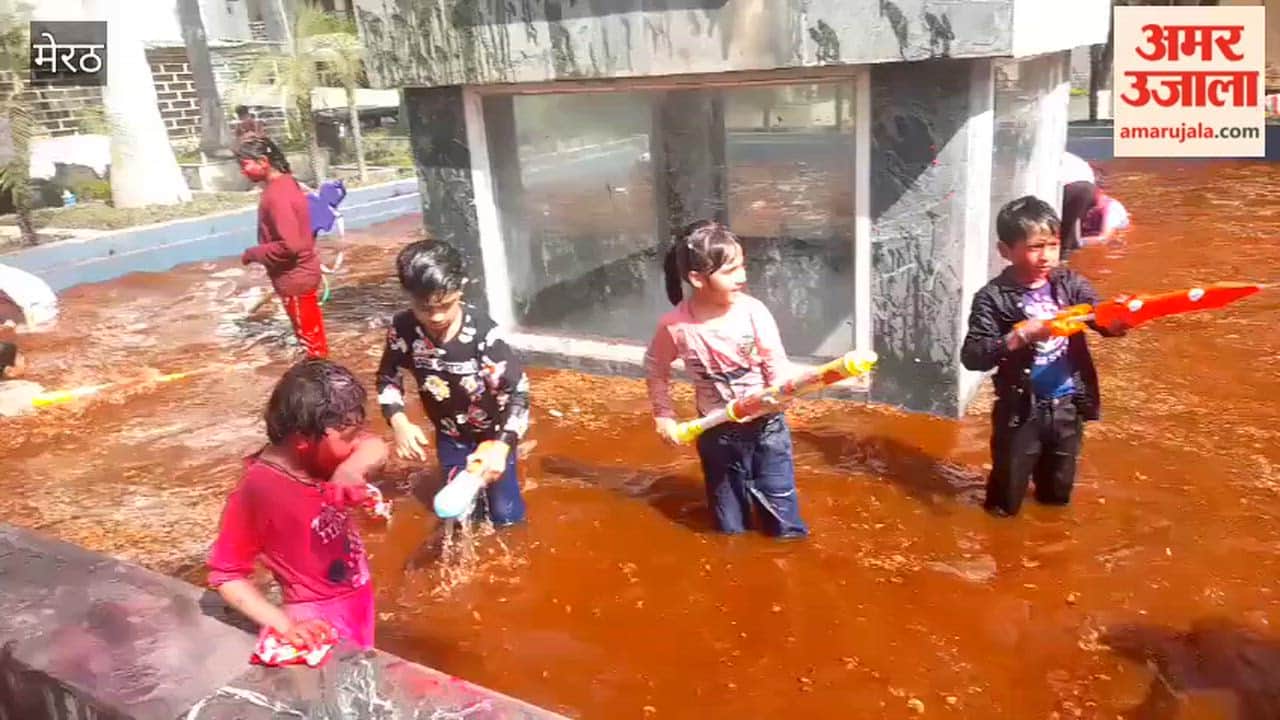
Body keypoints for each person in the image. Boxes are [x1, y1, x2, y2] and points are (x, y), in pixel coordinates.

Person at [961, 196, 1129, 518]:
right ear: (1005, 251)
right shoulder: (992, 298)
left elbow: (1102, 321)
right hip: (1020, 411)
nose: (1046, 256)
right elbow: (973, 356)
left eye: (1053, 245)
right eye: (1035, 247)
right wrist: (1020, 336)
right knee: (1005, 500)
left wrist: (1119, 318)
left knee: (1057, 495)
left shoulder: (1070, 284)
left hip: (1068, 407)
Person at [207, 359, 388, 651]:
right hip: (316, 622)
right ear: (303, 440)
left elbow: (376, 446)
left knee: (363, 660)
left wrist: (350, 469)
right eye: (349, 438)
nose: (355, 444)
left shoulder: (323, 458)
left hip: (356, 598)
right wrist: (284, 625)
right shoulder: (260, 490)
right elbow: (226, 575)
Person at [644, 220, 808, 539]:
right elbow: (655, 368)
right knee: (729, 527)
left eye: (743, 266)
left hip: (767, 428)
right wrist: (664, 415)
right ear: (697, 278)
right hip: (716, 431)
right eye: (731, 271)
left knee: (784, 521)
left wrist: (781, 394)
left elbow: (775, 361)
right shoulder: (676, 326)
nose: (742, 277)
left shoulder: (753, 312)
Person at [375, 239, 530, 527]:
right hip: (451, 437)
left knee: (506, 516)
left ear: (461, 288)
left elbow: (518, 393)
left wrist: (502, 446)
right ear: (408, 296)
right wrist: (399, 421)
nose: (436, 316)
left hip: (493, 437)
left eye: (445, 305)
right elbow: (388, 376)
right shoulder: (404, 329)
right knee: (459, 514)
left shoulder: (483, 335)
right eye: (424, 307)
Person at [236, 136, 329, 359]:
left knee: (313, 347)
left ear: (263, 161)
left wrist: (253, 253)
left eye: (245, 164)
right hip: (302, 274)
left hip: (295, 280)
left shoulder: (277, 195)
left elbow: (290, 246)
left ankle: (320, 374)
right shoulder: (287, 183)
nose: (242, 171)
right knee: (311, 337)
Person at [1059, 152, 1098, 257]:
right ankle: (1073, 251)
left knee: (1061, 227)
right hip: (1089, 188)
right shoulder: (1070, 157)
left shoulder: (1045, 154)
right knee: (1073, 225)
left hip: (1071, 187)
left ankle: (1064, 256)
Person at [0, 263, 58, 331]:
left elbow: (25, 302)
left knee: (19, 330)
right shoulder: (5, 271)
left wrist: (31, 328)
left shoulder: (5, 280)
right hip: (40, 302)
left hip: (41, 306)